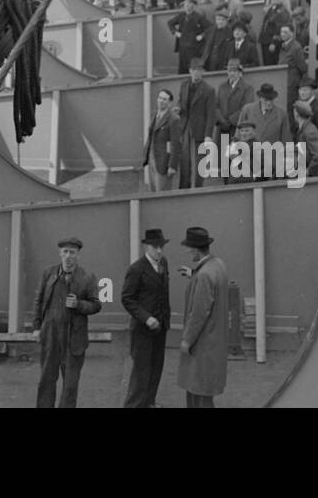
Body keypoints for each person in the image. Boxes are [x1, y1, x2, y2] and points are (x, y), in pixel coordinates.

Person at [32, 237, 102, 408]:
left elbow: (96, 305)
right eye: (65, 252)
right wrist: (36, 327)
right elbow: (38, 300)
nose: (68, 256)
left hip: (74, 338)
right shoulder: (49, 273)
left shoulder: (88, 277)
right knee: (46, 380)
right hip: (50, 335)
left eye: (72, 252)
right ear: (60, 253)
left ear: (78, 255)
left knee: (70, 384)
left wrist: (79, 304)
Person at [174, 226, 229, 408]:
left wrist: (186, 341)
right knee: (203, 391)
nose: (188, 252)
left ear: (195, 249)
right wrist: (194, 275)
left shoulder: (204, 274)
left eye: (189, 248)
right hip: (215, 342)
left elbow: (199, 313)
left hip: (203, 343)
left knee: (199, 393)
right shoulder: (217, 265)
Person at [122, 228, 172, 408]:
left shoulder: (163, 263)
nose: (159, 251)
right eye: (155, 247)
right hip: (143, 330)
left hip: (161, 327)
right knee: (141, 373)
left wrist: (163, 320)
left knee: (156, 368)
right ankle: (133, 405)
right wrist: (146, 317)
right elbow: (127, 298)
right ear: (146, 247)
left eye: (161, 247)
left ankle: (149, 403)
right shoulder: (136, 269)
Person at [177, 58, 217, 189]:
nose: (196, 72)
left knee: (199, 162)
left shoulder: (209, 90)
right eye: (194, 69)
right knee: (184, 161)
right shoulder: (184, 85)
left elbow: (211, 115)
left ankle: (198, 189)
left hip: (200, 130)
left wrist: (208, 135)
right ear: (189, 71)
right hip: (185, 127)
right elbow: (180, 103)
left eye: (199, 70)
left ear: (203, 72)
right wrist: (178, 109)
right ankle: (184, 189)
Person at [143, 88, 180, 192]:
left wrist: (172, 166)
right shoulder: (154, 115)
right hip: (152, 158)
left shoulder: (174, 119)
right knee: (152, 191)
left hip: (163, 162)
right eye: (160, 98)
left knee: (162, 193)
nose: (161, 101)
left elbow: (175, 144)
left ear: (169, 103)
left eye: (164, 99)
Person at [213, 59, 254, 141]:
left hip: (237, 129)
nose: (231, 73)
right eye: (229, 71)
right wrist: (222, 121)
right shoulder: (221, 87)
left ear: (239, 73)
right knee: (222, 152)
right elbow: (215, 105)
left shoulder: (247, 88)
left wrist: (230, 121)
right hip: (222, 129)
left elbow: (246, 108)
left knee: (235, 152)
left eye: (234, 71)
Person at [277, 24, 308, 133]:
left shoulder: (296, 47)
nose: (283, 34)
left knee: (290, 110)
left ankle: (293, 135)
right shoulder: (284, 46)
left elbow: (302, 67)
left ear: (292, 33)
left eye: (285, 32)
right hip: (284, 82)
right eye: (281, 32)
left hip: (291, 83)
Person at [167, 0, 208, 75]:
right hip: (182, 47)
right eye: (185, 4)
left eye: (189, 3)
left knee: (193, 68)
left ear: (193, 5)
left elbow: (210, 28)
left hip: (194, 48)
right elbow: (170, 23)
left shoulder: (198, 17)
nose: (186, 5)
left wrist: (202, 35)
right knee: (182, 69)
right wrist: (175, 32)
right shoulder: (181, 15)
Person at [236, 81, 285, 145]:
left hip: (272, 152)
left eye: (271, 100)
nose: (269, 103)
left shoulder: (281, 113)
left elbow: (286, 137)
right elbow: (238, 132)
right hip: (251, 152)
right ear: (260, 98)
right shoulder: (247, 110)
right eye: (266, 100)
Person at [258, 0, 292, 65]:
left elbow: (280, 29)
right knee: (266, 63)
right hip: (265, 40)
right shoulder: (272, 8)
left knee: (271, 63)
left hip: (272, 41)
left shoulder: (282, 11)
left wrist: (274, 42)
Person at [292, 100, 318, 176]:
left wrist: (309, 171)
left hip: (312, 179)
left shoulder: (309, 131)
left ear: (296, 113)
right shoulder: (304, 129)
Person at [201, 6, 234, 72]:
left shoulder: (231, 33)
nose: (220, 22)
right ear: (215, 20)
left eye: (223, 20)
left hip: (223, 63)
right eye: (218, 19)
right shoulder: (209, 32)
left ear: (227, 20)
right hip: (209, 63)